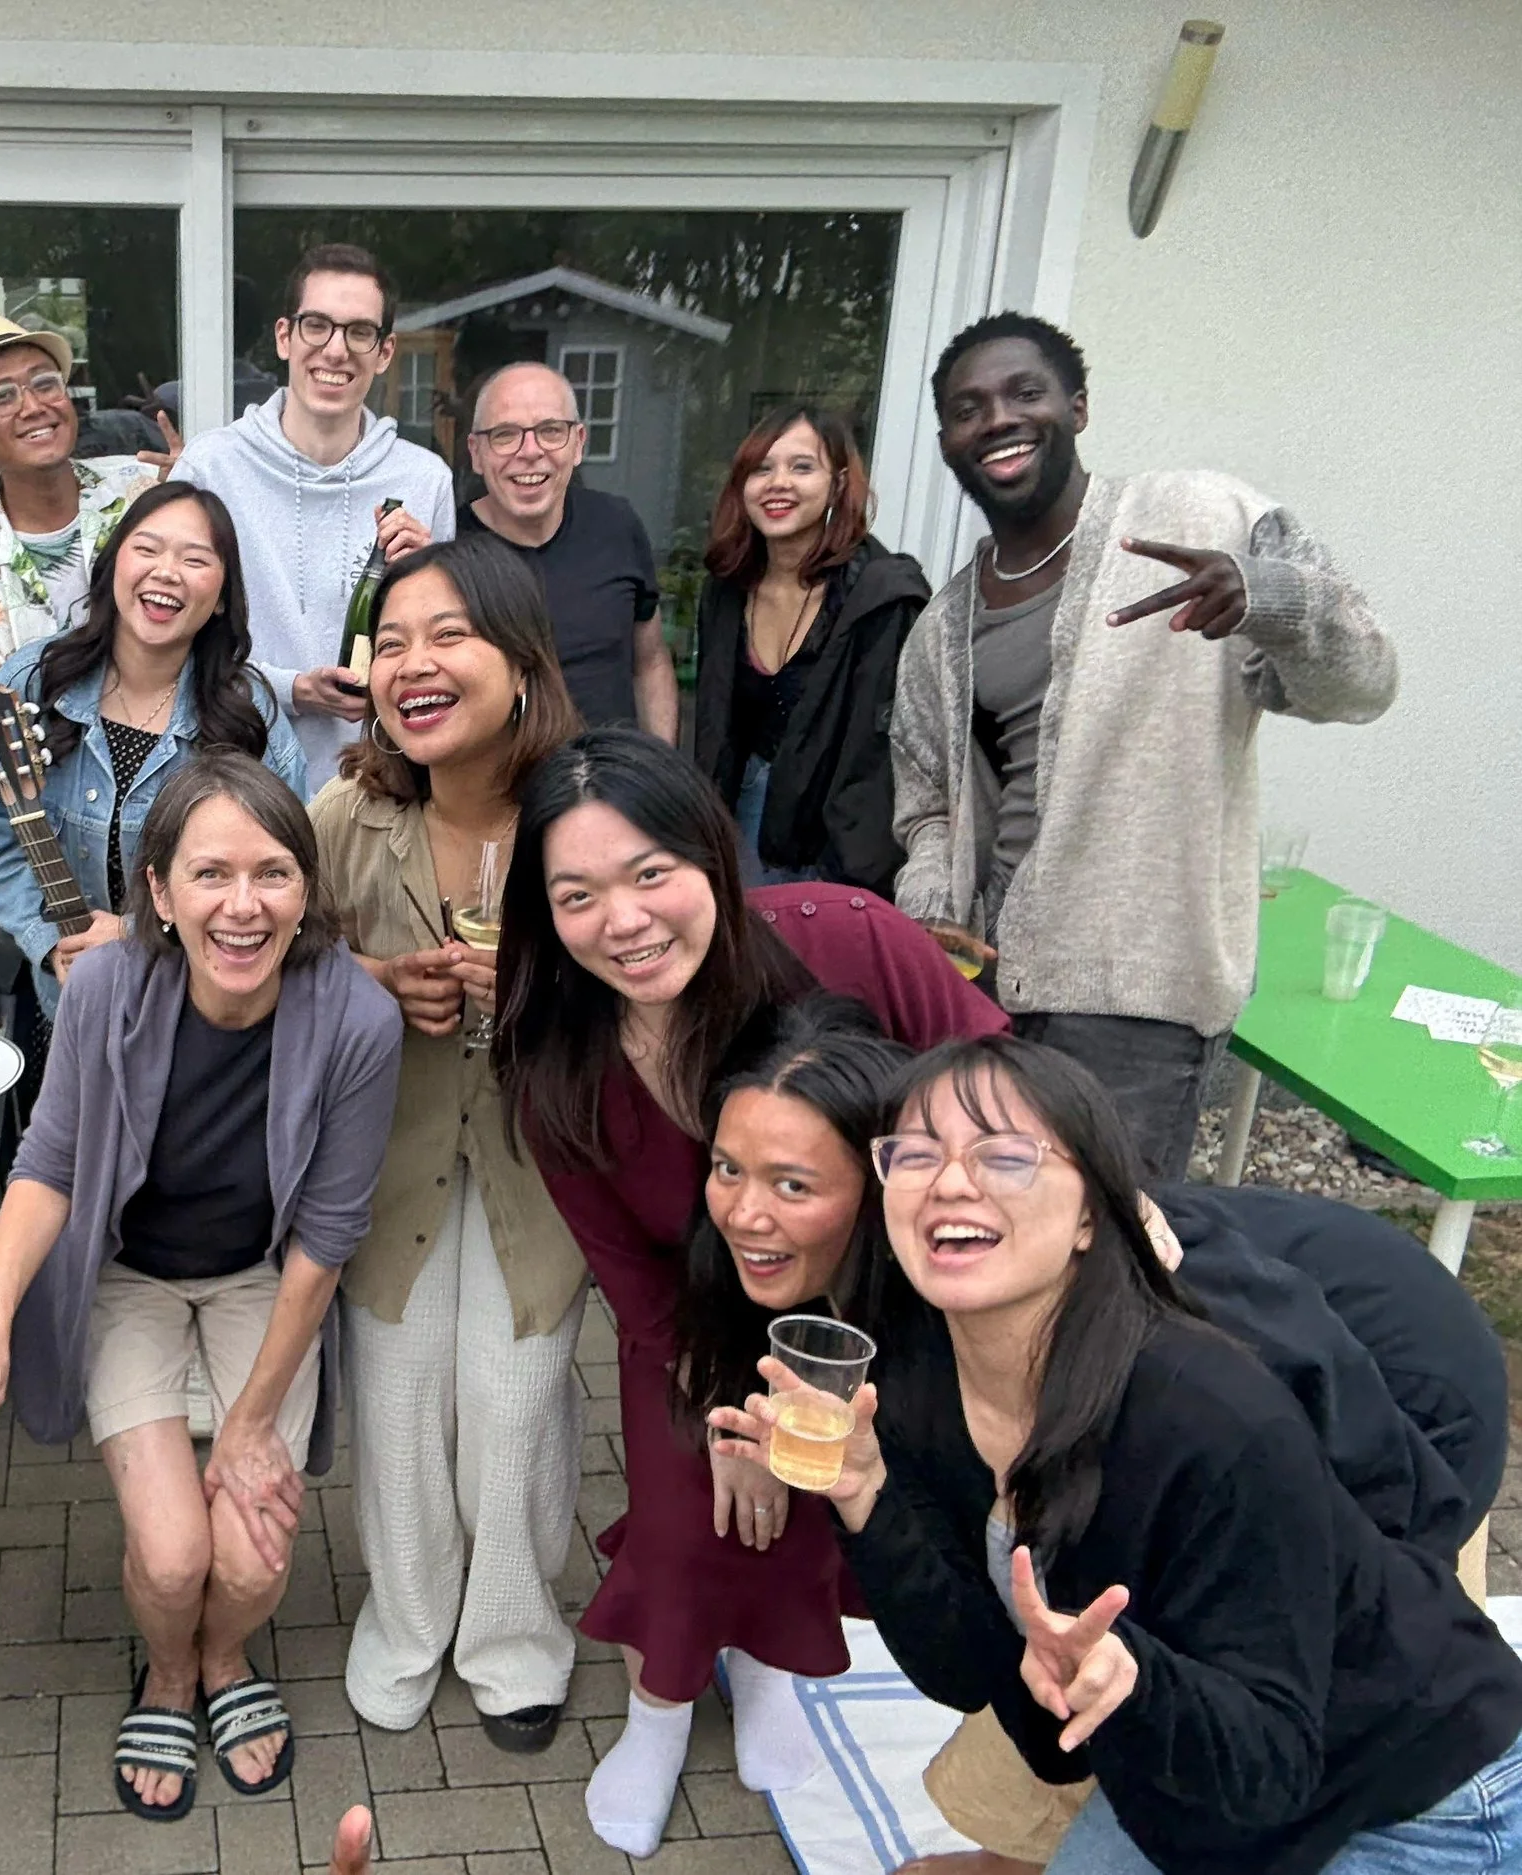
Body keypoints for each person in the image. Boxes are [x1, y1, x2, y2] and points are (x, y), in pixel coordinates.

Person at [678, 1000, 1510, 1872]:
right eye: (917, 1153)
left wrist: (1142, 1684)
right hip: (1194, 1782)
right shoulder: (926, 1389)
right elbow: (982, 1682)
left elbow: (1271, 1764)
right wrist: (869, 1499)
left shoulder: (1206, 1408)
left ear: (1093, 1215)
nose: (952, 1180)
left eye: (1005, 1155)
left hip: (1422, 1795)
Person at [490, 727, 1003, 1855]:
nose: (622, 921)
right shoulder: (554, 1059)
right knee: (689, 1516)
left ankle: (772, 1675)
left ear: (710, 856)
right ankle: (658, 1711)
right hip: (684, 1329)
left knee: (818, 1505)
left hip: (856, 1314)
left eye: (649, 874)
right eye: (575, 895)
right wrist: (731, 1409)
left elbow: (995, 1081)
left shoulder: (844, 939)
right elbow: (631, 1274)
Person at [0, 755, 403, 1819]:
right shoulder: (104, 987)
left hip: (260, 1285)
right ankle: (172, 1673)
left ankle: (226, 1659)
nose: (242, 906)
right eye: (210, 874)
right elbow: (46, 1165)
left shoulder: (358, 1024)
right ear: (158, 891)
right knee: (175, 1555)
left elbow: (325, 1237)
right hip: (129, 1279)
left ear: (308, 891)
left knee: (251, 1556)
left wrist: (253, 1420)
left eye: (273, 874)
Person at [891, 313, 1397, 1176]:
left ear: (1077, 407)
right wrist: (931, 917)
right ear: (947, 443)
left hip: (1135, 998)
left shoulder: (1200, 516)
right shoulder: (944, 621)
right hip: (984, 985)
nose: (999, 418)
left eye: (1025, 392)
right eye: (969, 408)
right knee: (989, 1233)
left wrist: (1268, 600)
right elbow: (929, 798)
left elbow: (1365, 682)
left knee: (1111, 1262)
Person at [306, 534, 590, 1746]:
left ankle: (517, 1639)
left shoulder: (591, 812)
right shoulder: (348, 813)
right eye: (394, 644)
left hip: (547, 1163)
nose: (413, 667)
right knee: (400, 1396)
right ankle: (407, 1624)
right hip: (389, 1159)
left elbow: (668, 975)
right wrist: (370, 977)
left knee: (514, 1398)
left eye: (449, 637)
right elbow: (265, 959)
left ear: (521, 664)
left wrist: (543, 984)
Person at [0, 482, 306, 1013]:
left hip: (199, 1010)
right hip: (68, 1006)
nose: (166, 571)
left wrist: (143, 933)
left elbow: (290, 875)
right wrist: (49, 941)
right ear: (112, 565)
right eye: (146, 549)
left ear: (220, 598)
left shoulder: (249, 715)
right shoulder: (34, 679)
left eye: (195, 559)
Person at [172, 243, 457, 788]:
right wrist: (289, 688)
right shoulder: (211, 467)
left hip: (378, 786)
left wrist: (429, 583)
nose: (335, 350)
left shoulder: (424, 480)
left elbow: (443, 654)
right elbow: (168, 640)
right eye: (317, 326)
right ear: (285, 336)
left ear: (385, 351)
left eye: (359, 332)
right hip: (234, 781)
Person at [689, 406, 930, 894]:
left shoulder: (881, 596)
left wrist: (848, 876)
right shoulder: (728, 586)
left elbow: (877, 760)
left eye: (801, 467)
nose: (778, 483)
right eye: (762, 469)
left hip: (833, 846)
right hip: (734, 821)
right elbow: (718, 727)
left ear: (838, 484)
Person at [0, 311, 158, 669]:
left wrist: (199, 484)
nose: (34, 407)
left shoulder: (147, 490)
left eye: (45, 384)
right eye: (3, 397)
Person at [458, 361, 674, 739]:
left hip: (613, 785)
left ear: (578, 444)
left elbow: (651, 662)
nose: (530, 451)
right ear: (476, 453)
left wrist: (662, 774)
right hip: (495, 793)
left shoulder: (617, 526)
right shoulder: (449, 547)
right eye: (505, 435)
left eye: (550, 431)